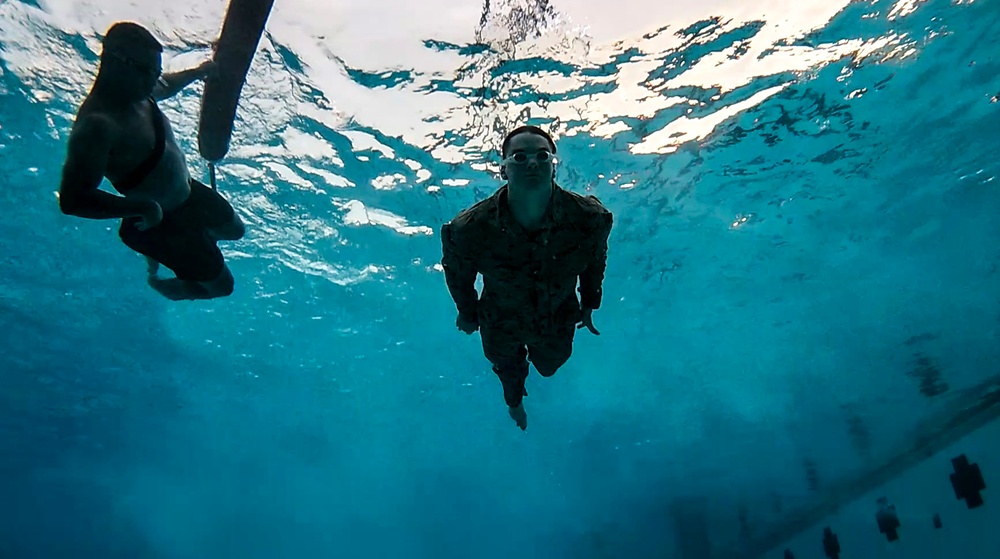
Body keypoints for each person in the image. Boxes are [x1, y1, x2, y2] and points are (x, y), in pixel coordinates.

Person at [441, 125, 613, 430]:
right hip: (501, 320)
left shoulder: (589, 218)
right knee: (508, 371)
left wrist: (590, 302)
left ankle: (531, 379)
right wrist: (466, 313)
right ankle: (515, 405)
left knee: (550, 367)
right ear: (504, 169)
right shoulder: (469, 229)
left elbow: (594, 261)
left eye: (541, 156)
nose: (532, 162)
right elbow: (458, 276)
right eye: (519, 157)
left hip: (557, 316)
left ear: (553, 165)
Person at [58, 22, 245, 301]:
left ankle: (192, 246)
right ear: (114, 62)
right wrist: (142, 207)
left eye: (155, 72)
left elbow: (165, 85)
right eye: (147, 72)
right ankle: (167, 285)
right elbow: (72, 200)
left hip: (187, 191)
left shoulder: (139, 92)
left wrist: (198, 71)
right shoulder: (98, 126)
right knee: (223, 287)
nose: (152, 82)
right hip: (160, 220)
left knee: (235, 231)